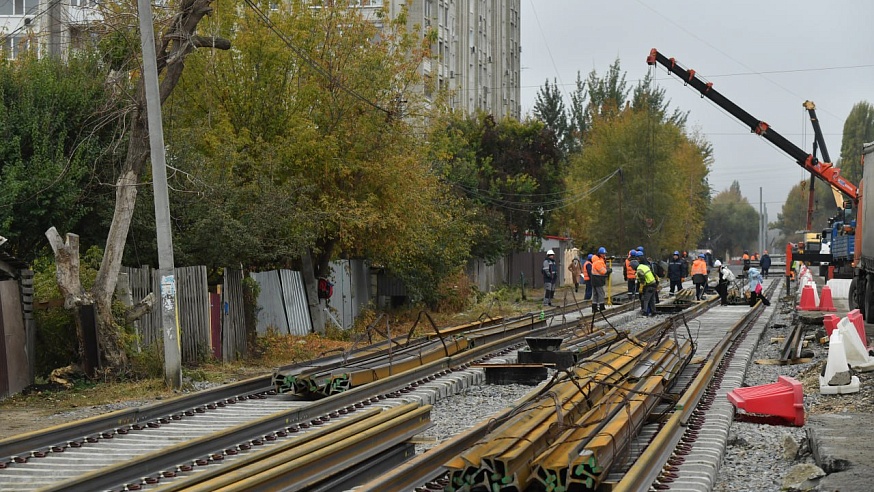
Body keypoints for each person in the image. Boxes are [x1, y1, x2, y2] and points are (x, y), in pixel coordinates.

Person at [590, 247, 610, 313]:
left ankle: (594, 307)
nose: (604, 255)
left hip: (594, 279)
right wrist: (608, 271)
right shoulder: (598, 262)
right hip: (598, 279)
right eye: (603, 254)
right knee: (601, 293)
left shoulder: (595, 261)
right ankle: (601, 306)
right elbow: (603, 271)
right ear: (600, 254)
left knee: (595, 294)